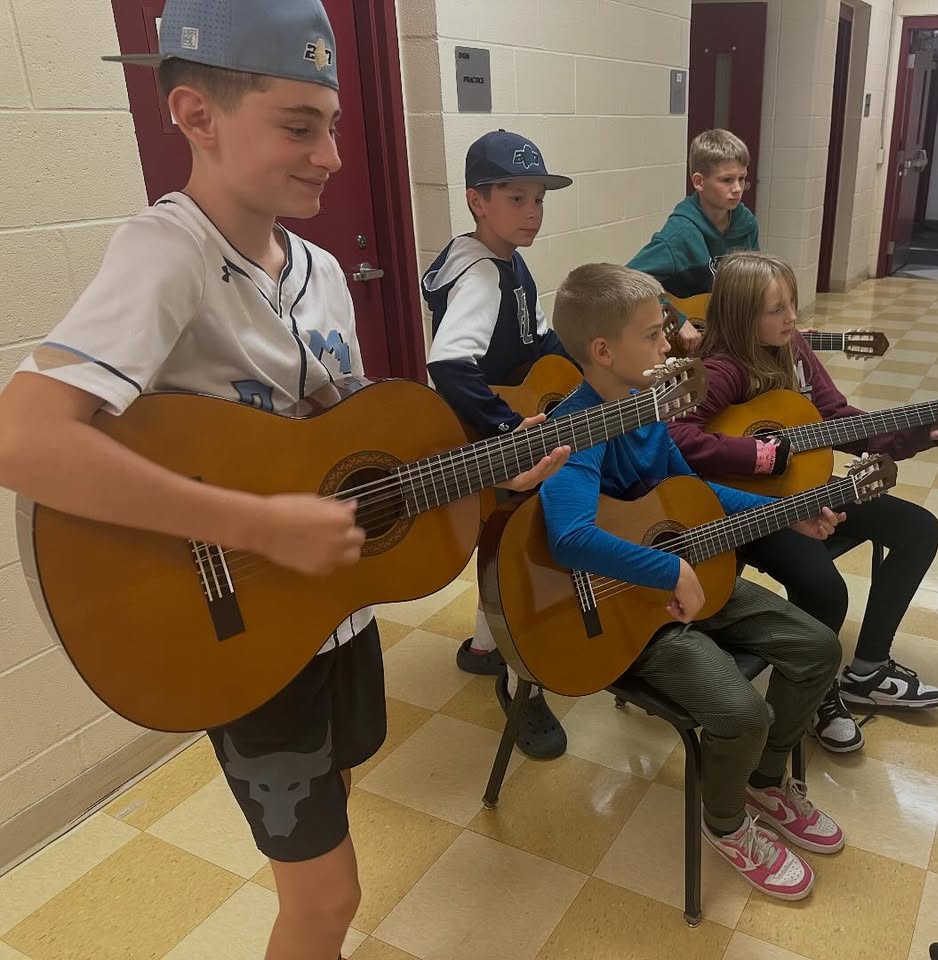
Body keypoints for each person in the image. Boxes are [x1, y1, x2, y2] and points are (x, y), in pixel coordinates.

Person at [0, 4, 564, 957]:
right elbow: (23, 438)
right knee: (327, 898)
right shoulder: (169, 252)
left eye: (333, 126)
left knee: (333, 807)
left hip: (329, 614)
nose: (331, 156)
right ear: (196, 116)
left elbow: (347, 453)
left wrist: (494, 473)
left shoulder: (322, 270)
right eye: (300, 128)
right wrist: (259, 525)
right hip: (236, 626)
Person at [539, 262, 847, 900]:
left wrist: (786, 512)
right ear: (604, 350)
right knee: (742, 712)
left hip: (679, 582)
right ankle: (725, 822)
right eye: (654, 334)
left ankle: (764, 783)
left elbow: (694, 490)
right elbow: (569, 537)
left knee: (818, 649)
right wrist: (671, 567)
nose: (672, 344)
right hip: (622, 614)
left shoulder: (647, 409)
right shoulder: (577, 428)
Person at [669, 252, 938, 754]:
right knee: (825, 589)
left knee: (919, 529)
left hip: (809, 491)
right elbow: (676, 438)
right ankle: (815, 697)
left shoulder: (795, 350)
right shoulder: (721, 370)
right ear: (741, 316)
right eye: (776, 309)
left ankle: (868, 669)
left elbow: (838, 419)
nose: (792, 318)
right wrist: (762, 455)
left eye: (793, 304)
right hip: (751, 510)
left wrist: (921, 432)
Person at [422, 128, 577, 760]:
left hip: (496, 426)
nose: (533, 212)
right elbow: (448, 363)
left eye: (539, 199)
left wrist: (586, 371)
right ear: (477, 200)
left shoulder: (507, 259)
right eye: (517, 198)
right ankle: (520, 687)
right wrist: (507, 430)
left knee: (500, 535)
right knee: (517, 544)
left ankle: (487, 646)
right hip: (485, 434)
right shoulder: (483, 273)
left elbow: (538, 339)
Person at [627, 128, 758, 352]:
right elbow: (629, 281)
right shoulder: (679, 235)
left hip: (724, 335)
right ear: (699, 182)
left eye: (742, 178)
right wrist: (676, 319)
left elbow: (753, 287)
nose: (737, 189)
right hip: (680, 348)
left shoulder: (747, 225)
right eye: (727, 180)